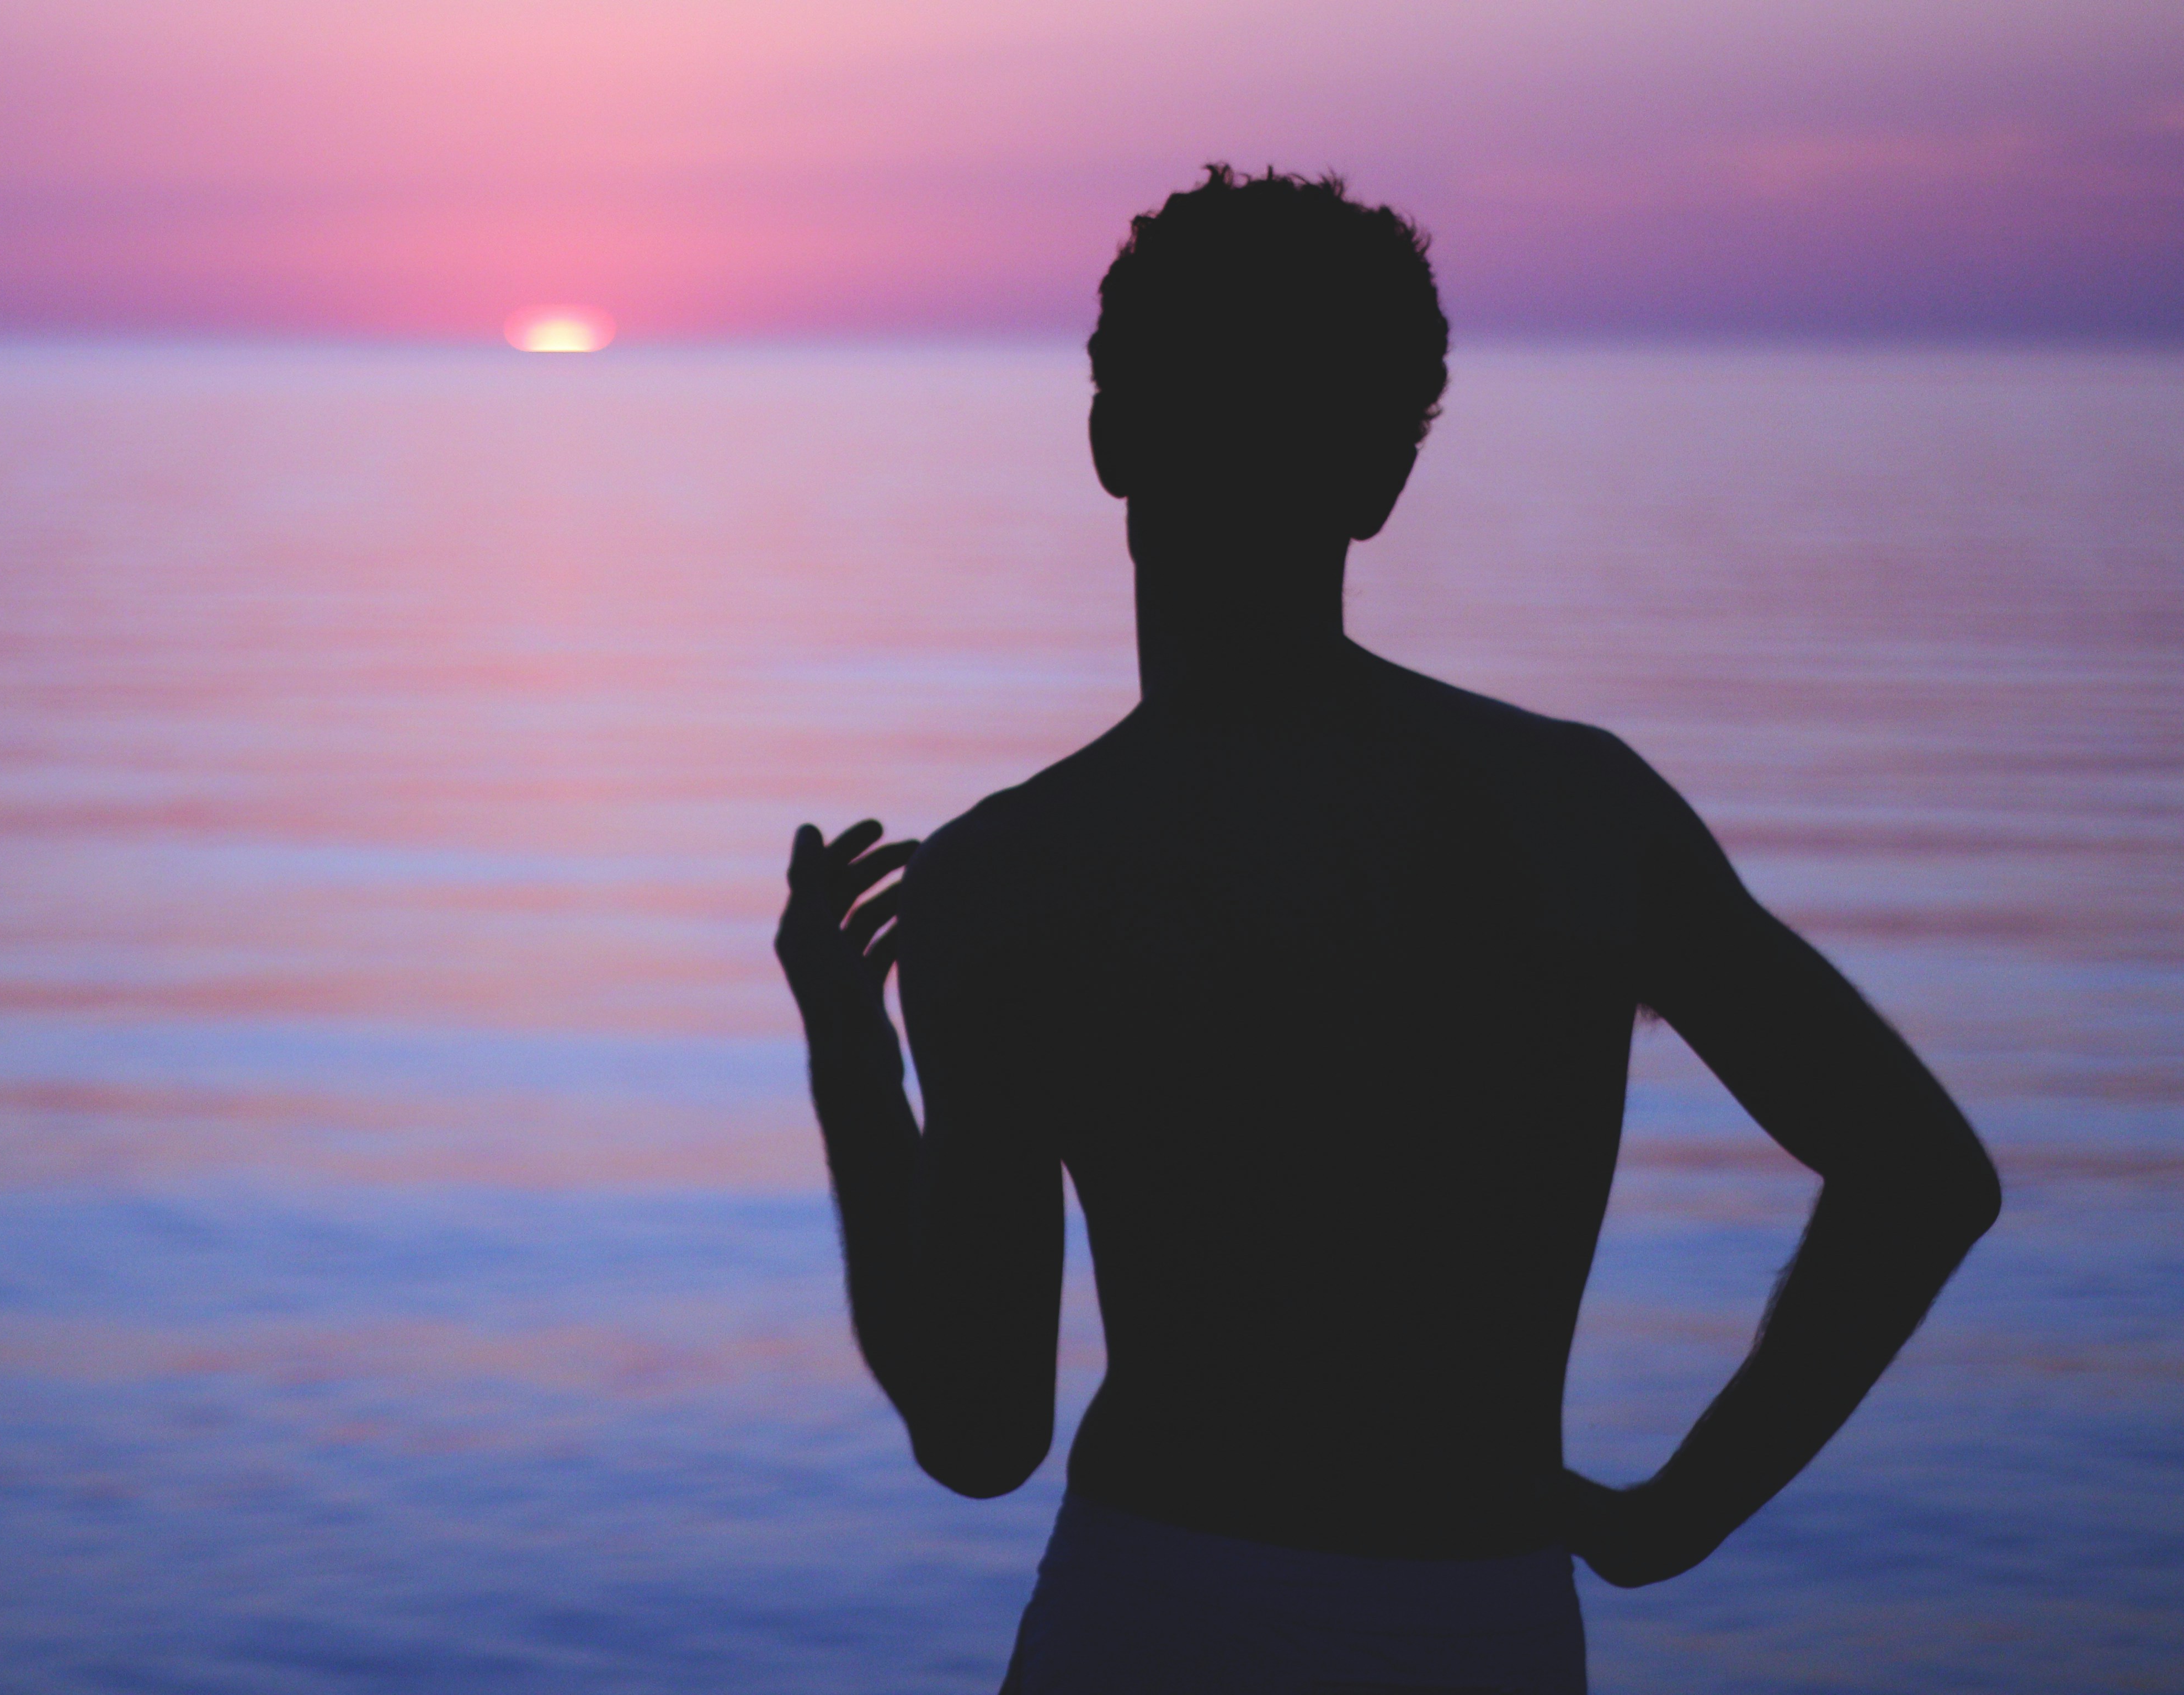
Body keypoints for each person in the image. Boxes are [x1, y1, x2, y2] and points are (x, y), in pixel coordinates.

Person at [772, 166, 2002, 1694]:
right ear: (1381, 480)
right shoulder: (1577, 817)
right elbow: (1922, 1172)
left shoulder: (1016, 880)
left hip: (1146, 1616)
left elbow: (977, 1438)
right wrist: (1677, 1517)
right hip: (1480, 1623)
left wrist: (850, 1061)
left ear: (1110, 434)